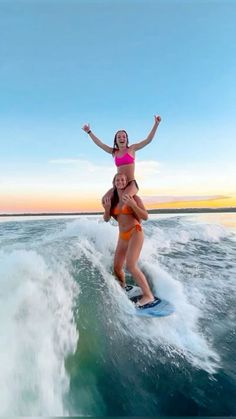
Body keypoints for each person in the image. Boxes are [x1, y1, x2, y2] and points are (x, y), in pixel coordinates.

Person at [103, 172, 158, 308]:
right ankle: (123, 288)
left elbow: (145, 217)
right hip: (122, 236)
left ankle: (148, 296)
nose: (120, 182)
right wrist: (107, 209)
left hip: (135, 232)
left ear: (127, 183)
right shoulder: (114, 200)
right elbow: (106, 219)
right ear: (114, 182)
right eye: (117, 180)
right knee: (116, 267)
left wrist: (133, 205)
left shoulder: (135, 197)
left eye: (123, 180)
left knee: (130, 266)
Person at [82, 115, 161, 203]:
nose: (121, 138)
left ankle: (137, 214)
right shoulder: (113, 152)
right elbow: (100, 144)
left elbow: (148, 140)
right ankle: (109, 216)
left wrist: (156, 124)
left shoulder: (132, 148)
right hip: (118, 184)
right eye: (119, 137)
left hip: (131, 183)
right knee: (104, 200)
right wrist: (89, 132)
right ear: (116, 140)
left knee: (125, 198)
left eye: (124, 136)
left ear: (127, 139)